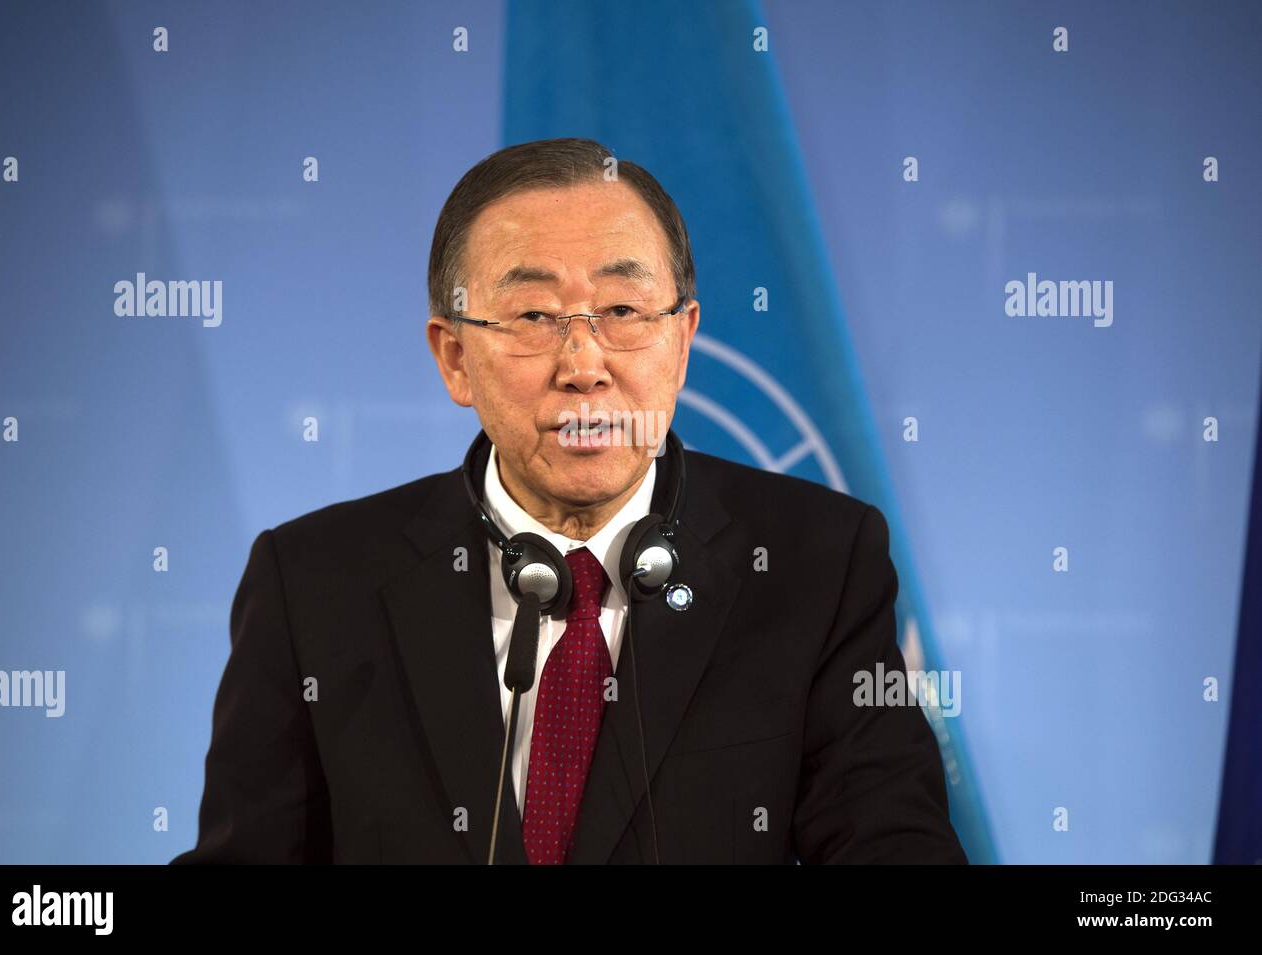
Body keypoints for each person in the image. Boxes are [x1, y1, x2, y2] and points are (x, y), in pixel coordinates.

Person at [172, 137, 967, 865]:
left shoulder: (816, 562)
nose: (583, 364)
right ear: (454, 357)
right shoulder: (313, 582)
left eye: (622, 311)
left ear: (683, 340)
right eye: (532, 317)